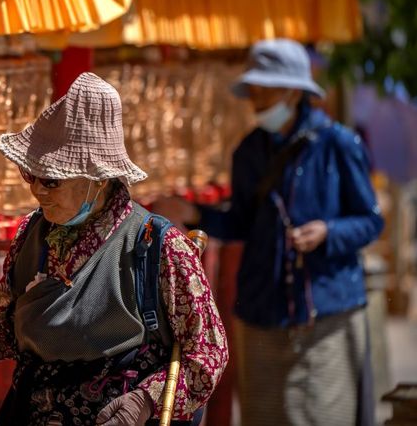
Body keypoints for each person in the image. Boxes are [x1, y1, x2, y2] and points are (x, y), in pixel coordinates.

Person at [0, 73, 228, 425]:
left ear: (98, 180)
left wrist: (144, 401)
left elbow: (208, 352)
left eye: (52, 181)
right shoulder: (33, 235)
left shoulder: (158, 245)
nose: (38, 192)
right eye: (31, 176)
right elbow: (5, 329)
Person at [152, 38, 384, 426]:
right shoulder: (248, 152)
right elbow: (242, 224)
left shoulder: (338, 145)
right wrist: (195, 213)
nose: (256, 97)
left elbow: (371, 221)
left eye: (266, 88)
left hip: (325, 317)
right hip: (260, 314)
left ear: (294, 90)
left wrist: (328, 232)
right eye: (254, 89)